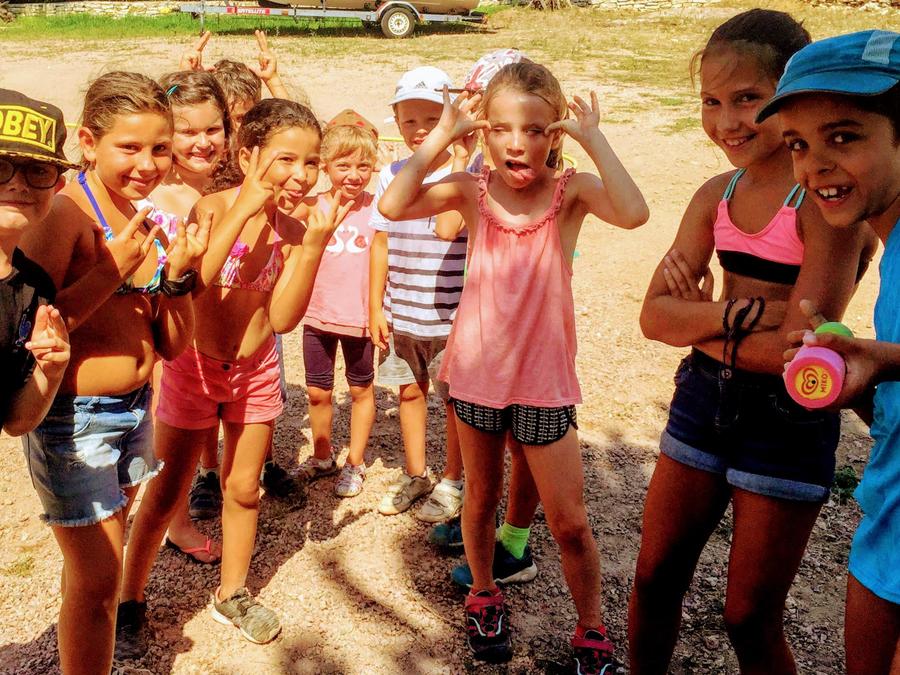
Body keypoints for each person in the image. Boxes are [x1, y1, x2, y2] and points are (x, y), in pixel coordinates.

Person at [378, 61, 649, 670]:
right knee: (479, 499)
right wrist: (443, 135)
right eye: (500, 128)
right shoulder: (471, 191)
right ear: (483, 131)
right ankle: (483, 594)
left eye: (533, 129)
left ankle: (591, 628)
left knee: (570, 522)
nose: (516, 143)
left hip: (544, 383)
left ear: (555, 132)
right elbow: (393, 204)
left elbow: (634, 213)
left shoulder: (569, 192)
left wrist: (594, 138)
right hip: (477, 377)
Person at [630, 12, 878, 675]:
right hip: (700, 402)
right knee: (653, 579)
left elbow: (802, 358)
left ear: (787, 99)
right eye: (711, 101)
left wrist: (703, 318)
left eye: (747, 99)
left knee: (749, 616)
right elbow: (653, 318)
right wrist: (747, 313)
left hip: (788, 418)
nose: (727, 121)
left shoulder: (824, 205)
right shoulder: (716, 195)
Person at [117, 98, 348, 654]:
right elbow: (195, 284)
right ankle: (129, 599)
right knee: (167, 489)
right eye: (285, 159)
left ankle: (233, 593)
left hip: (255, 371)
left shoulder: (297, 231)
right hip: (193, 368)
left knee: (243, 488)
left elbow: (284, 318)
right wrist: (243, 209)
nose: (301, 175)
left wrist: (313, 247)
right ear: (247, 157)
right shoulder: (211, 208)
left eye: (311, 162)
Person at [20, 71, 207, 675]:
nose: (148, 164)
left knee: (96, 575)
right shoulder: (65, 214)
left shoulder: (137, 214)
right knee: (100, 582)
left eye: (160, 147)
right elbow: (28, 331)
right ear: (88, 141)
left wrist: (178, 277)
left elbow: (172, 345)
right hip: (74, 422)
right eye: (129, 147)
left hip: (133, 411)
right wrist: (112, 270)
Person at [755, 29, 900, 675]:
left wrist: (884, 359)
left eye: (843, 137)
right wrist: (853, 376)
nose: (814, 165)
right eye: (798, 144)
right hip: (885, 524)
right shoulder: (891, 250)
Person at [135, 69, 231, 563]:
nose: (202, 142)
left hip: (201, 339)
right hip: (163, 341)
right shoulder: (155, 199)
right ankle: (172, 523)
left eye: (212, 129)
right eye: (187, 131)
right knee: (164, 441)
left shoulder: (216, 190)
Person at [368, 66, 470, 521]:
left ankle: (453, 479)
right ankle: (416, 474)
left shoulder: (467, 172)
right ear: (396, 120)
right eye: (409, 120)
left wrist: (461, 158)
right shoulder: (390, 175)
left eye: (432, 118)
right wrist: (375, 306)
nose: (420, 129)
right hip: (402, 311)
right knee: (408, 392)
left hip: (451, 316)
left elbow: (450, 228)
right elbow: (380, 242)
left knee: (454, 403)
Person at [296, 110, 378, 497]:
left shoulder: (378, 209)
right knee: (318, 392)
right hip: (317, 316)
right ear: (325, 165)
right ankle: (322, 456)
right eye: (343, 165)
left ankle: (355, 462)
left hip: (360, 319)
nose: (353, 175)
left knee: (361, 390)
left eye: (363, 166)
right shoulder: (310, 206)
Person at [0, 89, 72, 437]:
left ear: (57, 186)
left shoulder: (35, 288)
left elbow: (16, 421)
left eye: (38, 171)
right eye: (0, 167)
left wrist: (50, 372)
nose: (17, 184)